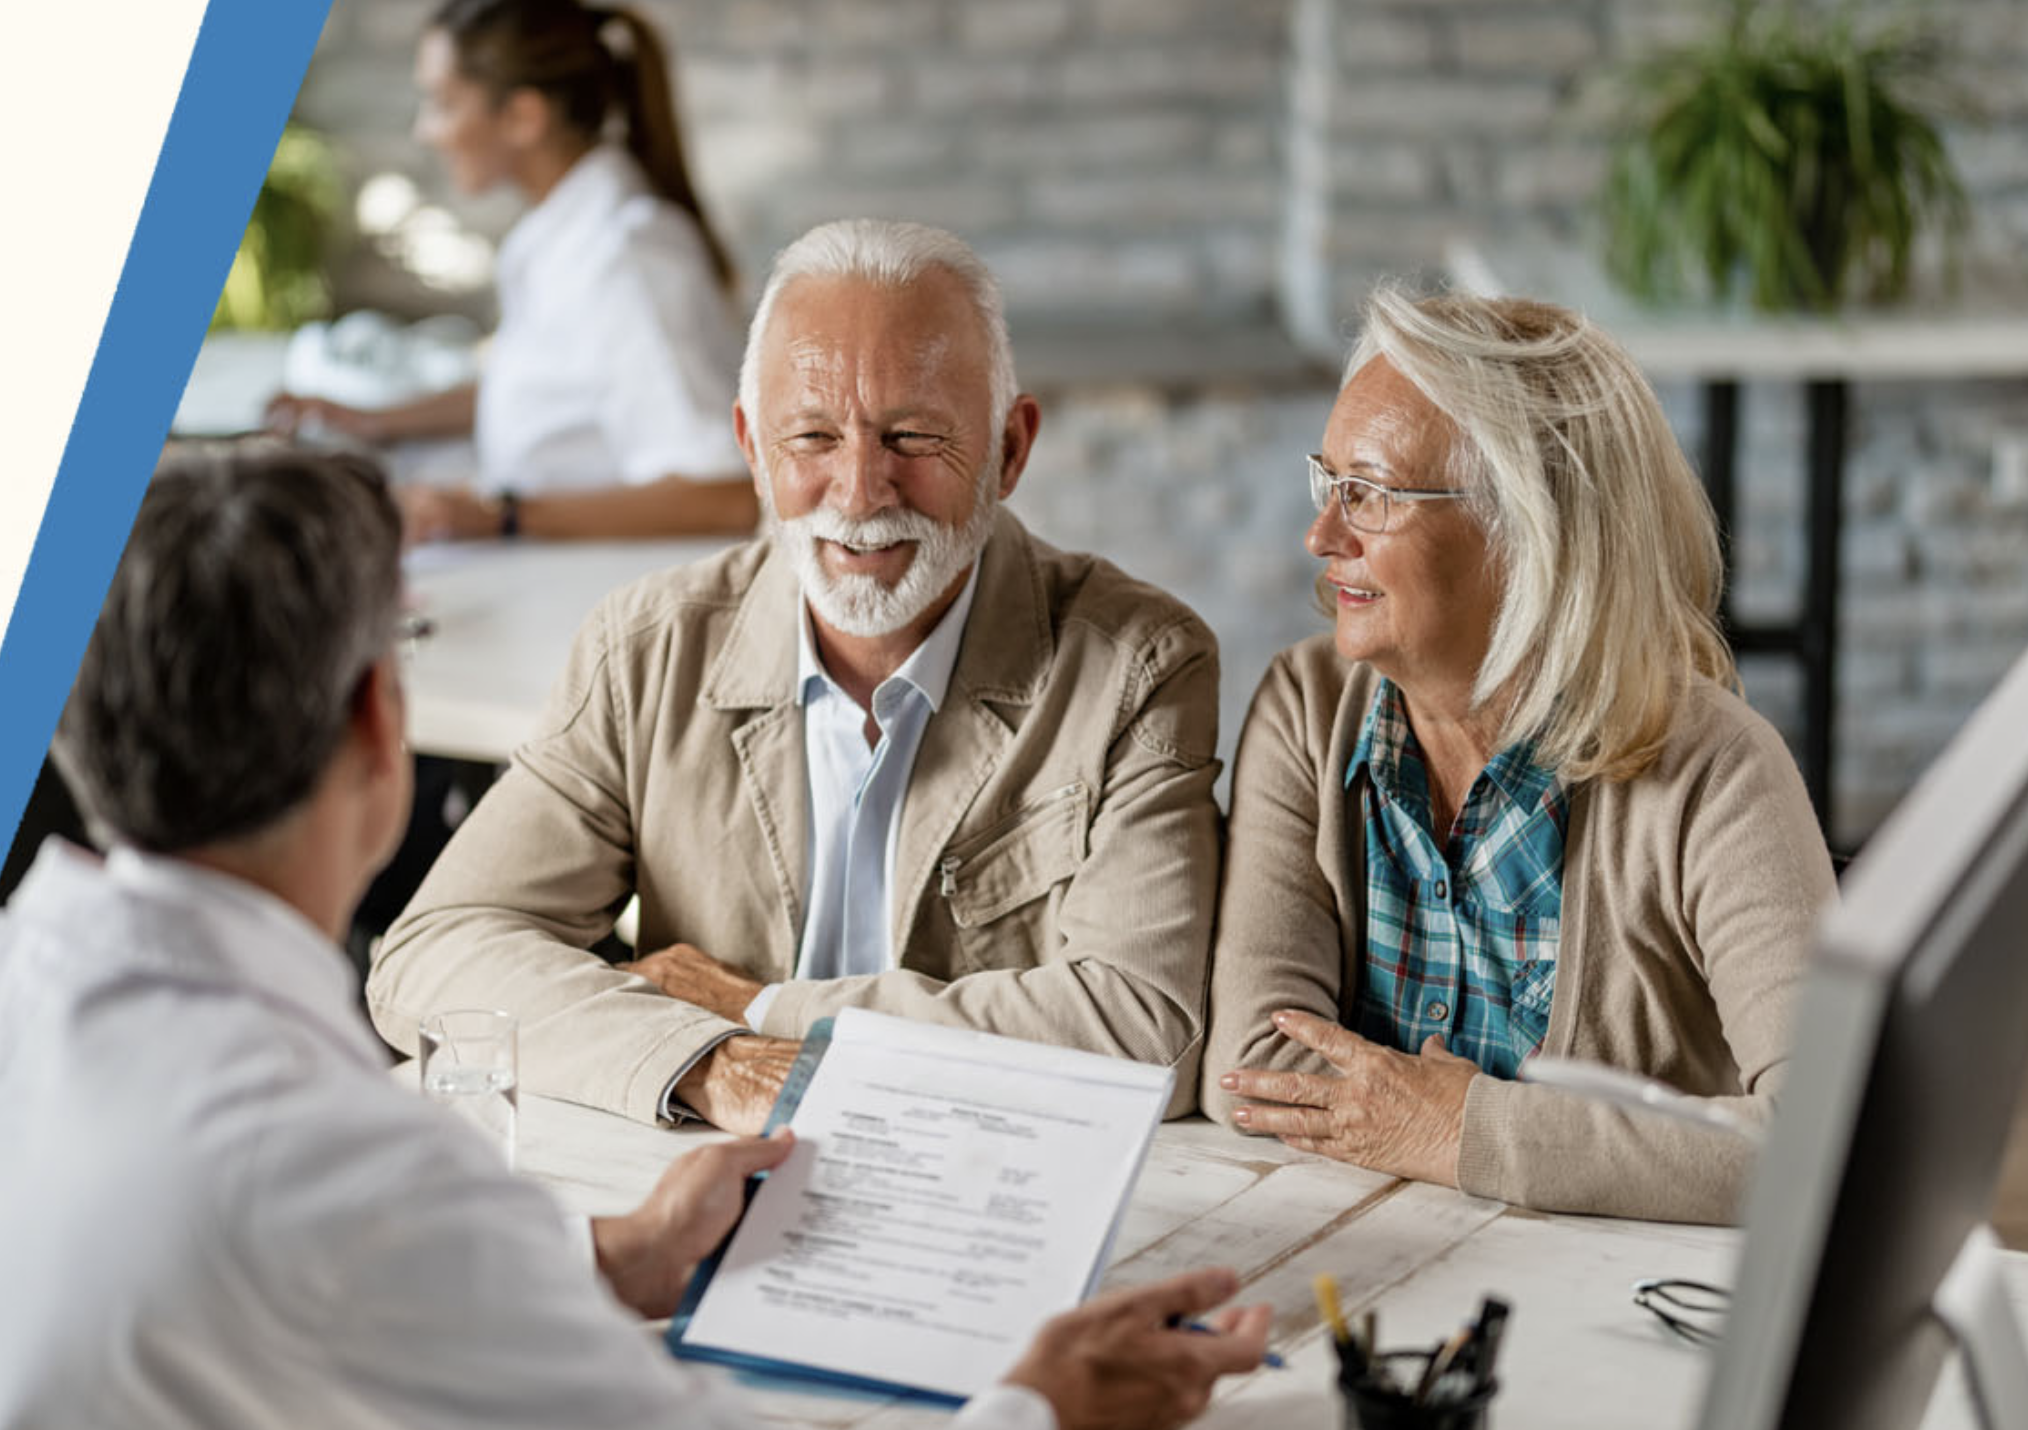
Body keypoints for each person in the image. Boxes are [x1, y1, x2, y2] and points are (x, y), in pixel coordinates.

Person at [0, 443, 1269, 1429]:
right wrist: (1042, 1405)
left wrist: (614, 1253)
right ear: (384, 723)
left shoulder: (36, 990)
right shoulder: (346, 1162)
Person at [367, 219, 1223, 1131]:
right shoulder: (647, 649)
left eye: (914, 436)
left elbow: (1147, 1036)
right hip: (702, 1179)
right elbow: (435, 954)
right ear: (751, 448)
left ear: (1011, 450)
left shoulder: (1140, 666)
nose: (859, 492)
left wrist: (758, 1011)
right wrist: (711, 1065)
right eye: (812, 437)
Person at [1203, 289, 1837, 1225]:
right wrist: (1545, 1140)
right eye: (1326, 482)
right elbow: (1251, 1073)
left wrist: (1468, 1131)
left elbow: (1828, 1143)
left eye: (1369, 494)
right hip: (1369, 1267)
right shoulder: (1306, 711)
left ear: (1524, 530)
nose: (1322, 536)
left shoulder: (1720, 774)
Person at [266, 0, 755, 542]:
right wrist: (373, 421)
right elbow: (536, 390)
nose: (426, 131)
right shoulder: (557, 234)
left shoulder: (628, 261)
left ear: (523, 116)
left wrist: (500, 515)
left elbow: (727, 496)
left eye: (443, 103)